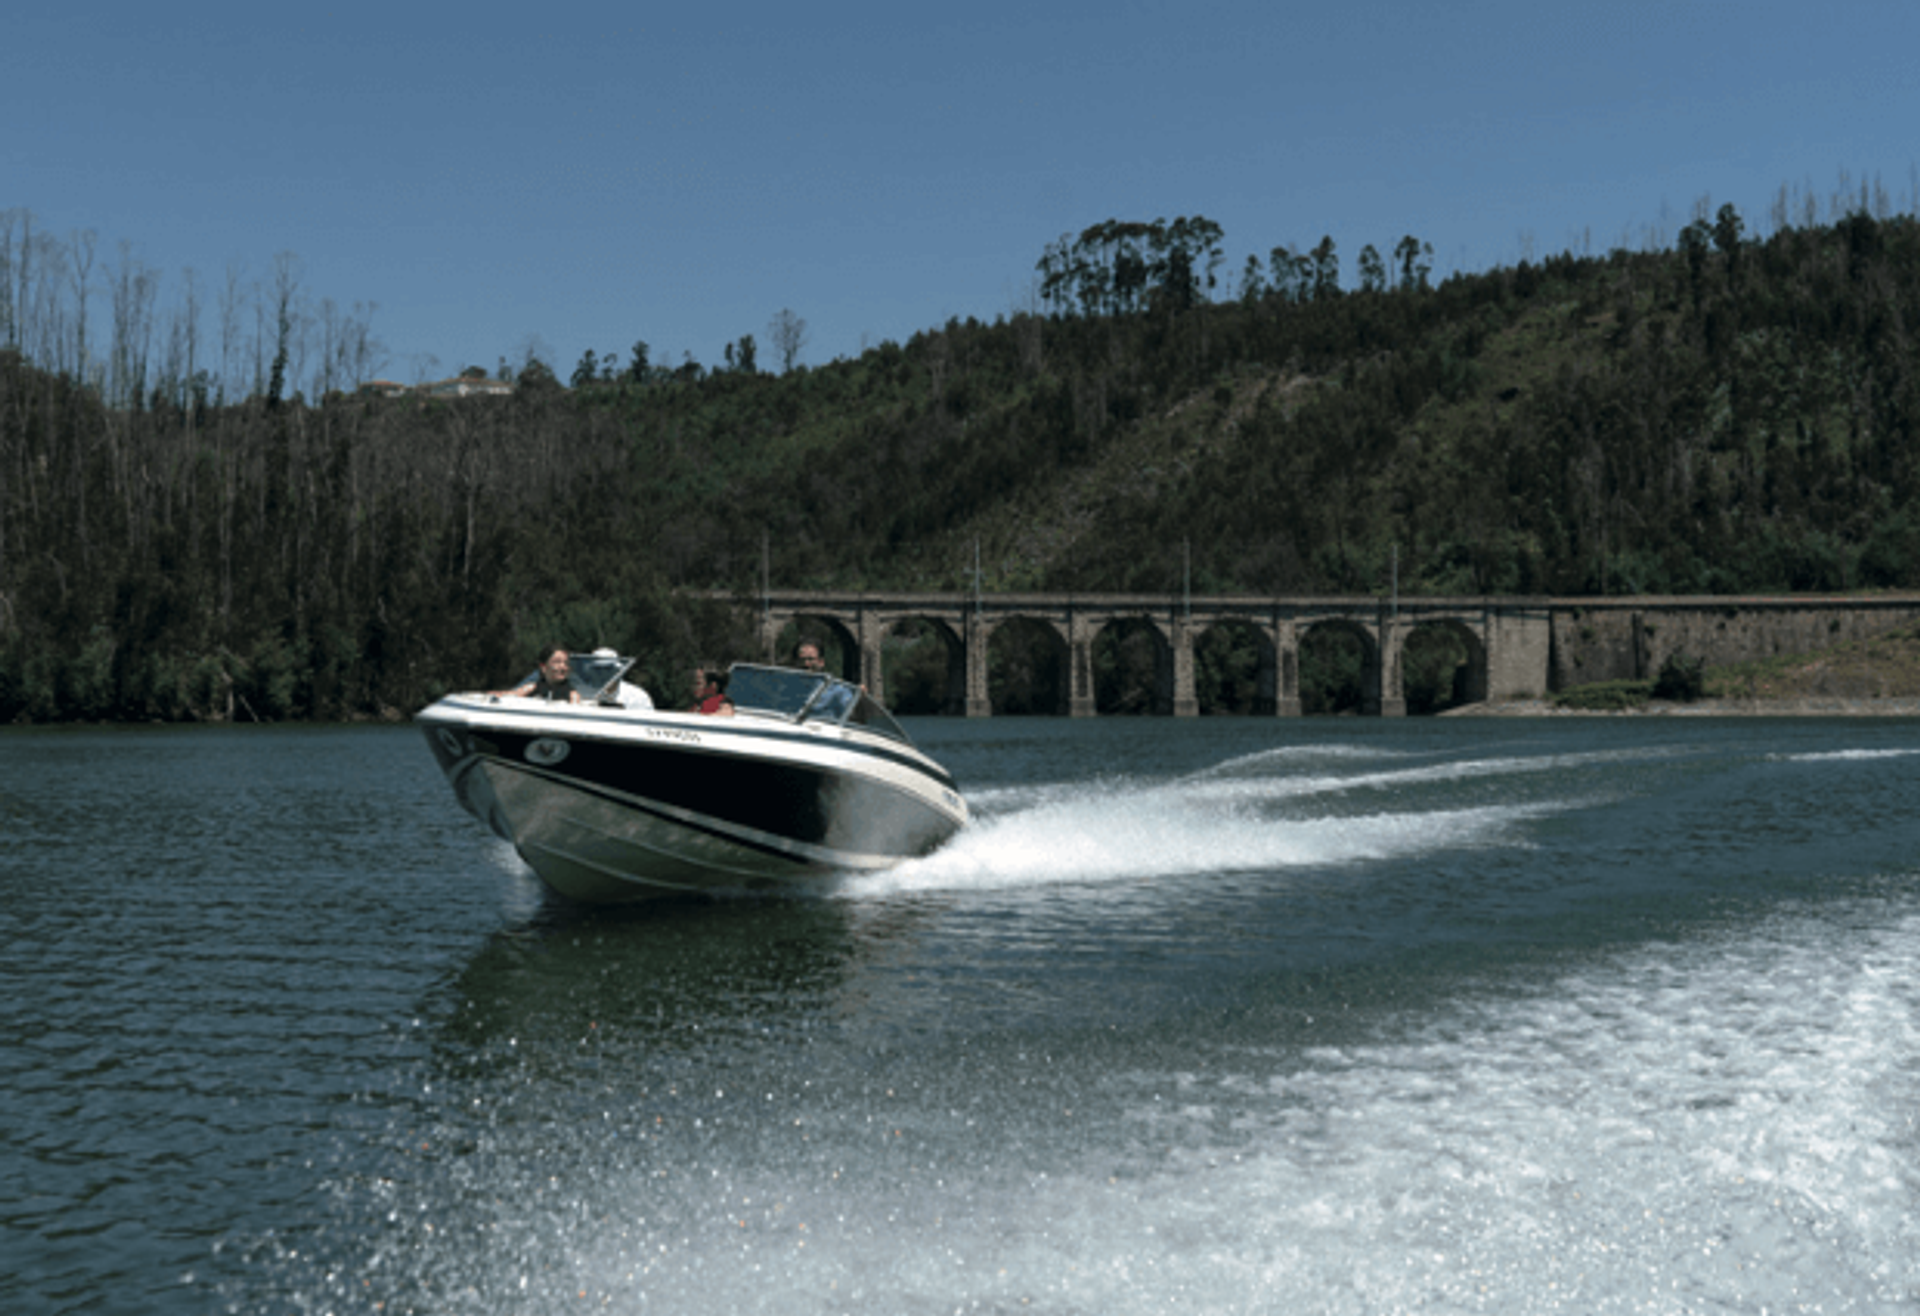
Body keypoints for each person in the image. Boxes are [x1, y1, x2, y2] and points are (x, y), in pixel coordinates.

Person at [493, 645, 580, 702]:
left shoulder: (572, 695)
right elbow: (508, 695)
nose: (563, 667)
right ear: (544, 667)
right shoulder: (532, 688)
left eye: (566, 663)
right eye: (557, 662)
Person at [589, 647, 654, 710]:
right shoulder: (582, 697)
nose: (603, 673)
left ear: (618, 671)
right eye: (598, 669)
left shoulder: (638, 697)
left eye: (608, 669)